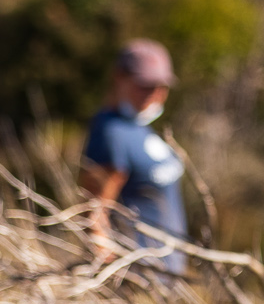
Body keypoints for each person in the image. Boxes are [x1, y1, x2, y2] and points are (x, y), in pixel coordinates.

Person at [79, 38, 188, 271]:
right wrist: (110, 272)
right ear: (119, 77)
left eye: (161, 86)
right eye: (145, 85)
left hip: (168, 272)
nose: (155, 94)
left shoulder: (137, 124)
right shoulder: (111, 133)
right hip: (141, 276)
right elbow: (94, 212)